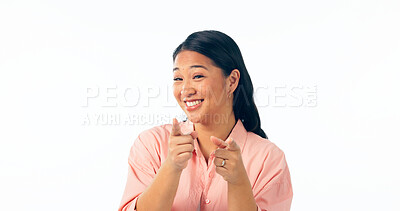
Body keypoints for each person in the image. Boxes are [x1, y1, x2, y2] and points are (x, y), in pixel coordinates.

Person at [118, 30, 293, 211]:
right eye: (178, 78)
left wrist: (238, 182)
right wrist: (171, 167)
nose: (185, 89)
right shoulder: (152, 144)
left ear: (232, 81)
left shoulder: (268, 158)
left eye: (198, 76)